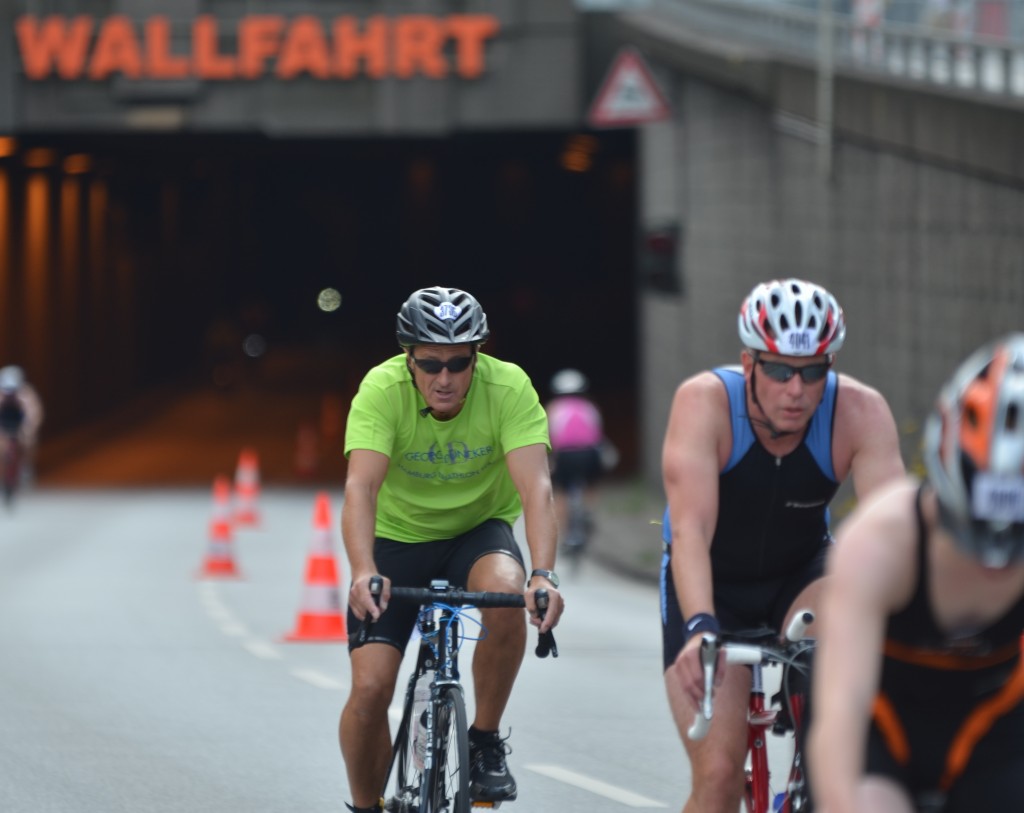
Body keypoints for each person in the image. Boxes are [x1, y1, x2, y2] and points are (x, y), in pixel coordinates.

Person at [660, 278, 905, 812]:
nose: (796, 390)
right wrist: (700, 626)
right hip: (711, 585)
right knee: (720, 776)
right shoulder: (704, 403)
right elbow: (690, 532)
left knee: (843, 737)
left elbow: (897, 537)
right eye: (778, 370)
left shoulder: (860, 413)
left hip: (801, 575)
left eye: (813, 371)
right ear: (749, 365)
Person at [339, 286, 565, 813]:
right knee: (371, 689)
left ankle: (483, 740)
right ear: (408, 359)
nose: (445, 378)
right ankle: (365, 806)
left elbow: (537, 488)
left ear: (477, 357)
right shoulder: (381, 388)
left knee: (506, 595)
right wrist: (362, 568)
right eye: (431, 363)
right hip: (398, 537)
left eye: (459, 363)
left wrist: (544, 575)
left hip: (477, 530)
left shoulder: (509, 388)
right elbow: (360, 488)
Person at [807, 333, 1024, 813]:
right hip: (880, 726)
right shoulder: (880, 542)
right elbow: (840, 713)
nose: (994, 565)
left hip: (995, 729)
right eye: (974, 534)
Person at [545, 368, 611, 550]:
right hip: (589, 453)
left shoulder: (553, 408)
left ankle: (564, 535)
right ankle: (589, 511)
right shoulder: (590, 407)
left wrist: (551, 459)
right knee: (592, 482)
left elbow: (550, 436)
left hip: (566, 455)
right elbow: (597, 433)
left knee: (560, 492)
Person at [0, 365, 44, 480]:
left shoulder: (26, 393)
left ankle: (26, 465)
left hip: (20, 423)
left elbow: (34, 413)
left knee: (29, 441)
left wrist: (28, 429)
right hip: (3, 422)